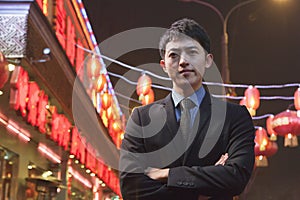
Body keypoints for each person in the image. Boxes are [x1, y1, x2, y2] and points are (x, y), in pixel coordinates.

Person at [119, 18, 255, 200]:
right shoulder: (142, 118)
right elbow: (131, 188)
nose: (183, 61)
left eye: (192, 52)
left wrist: (167, 174)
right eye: (173, 55)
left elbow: (236, 177)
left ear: (208, 60)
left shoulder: (235, 117)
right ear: (163, 66)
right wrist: (203, 189)